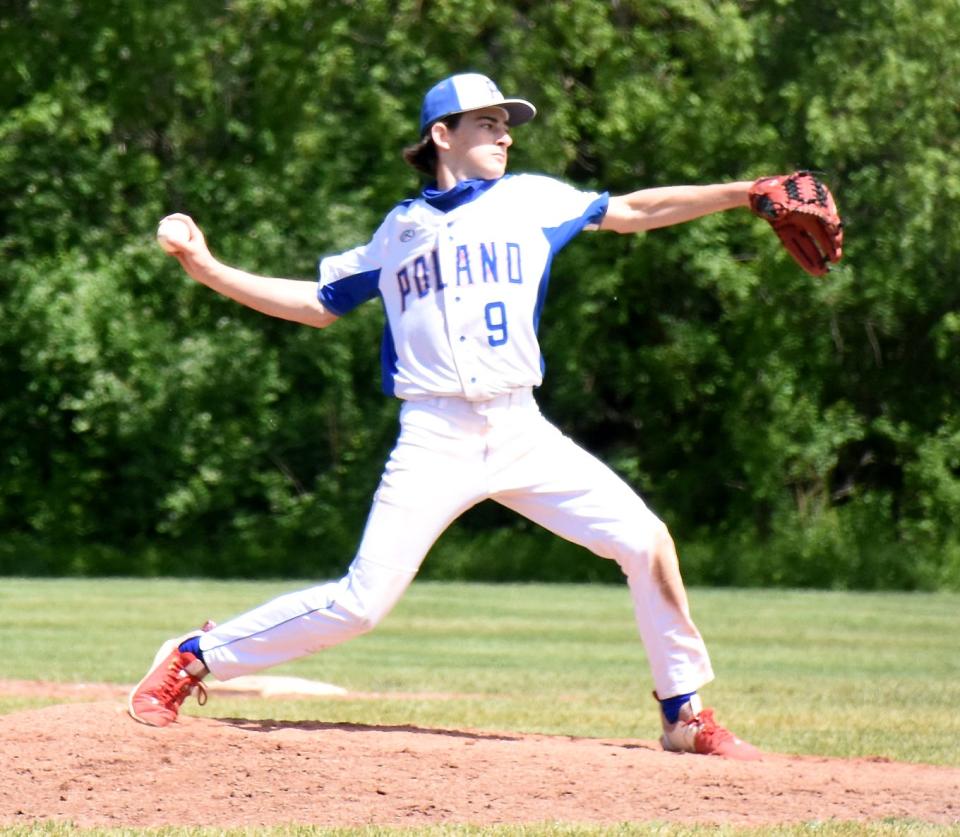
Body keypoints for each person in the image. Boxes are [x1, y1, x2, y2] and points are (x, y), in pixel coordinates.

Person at [129, 72, 763, 760]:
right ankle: (194, 655)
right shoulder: (398, 231)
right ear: (442, 135)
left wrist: (745, 193)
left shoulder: (533, 200)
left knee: (645, 540)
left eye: (505, 122)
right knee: (360, 604)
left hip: (521, 428)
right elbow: (317, 302)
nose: (505, 133)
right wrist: (208, 267)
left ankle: (683, 713)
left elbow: (636, 208)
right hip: (435, 435)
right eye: (486, 122)